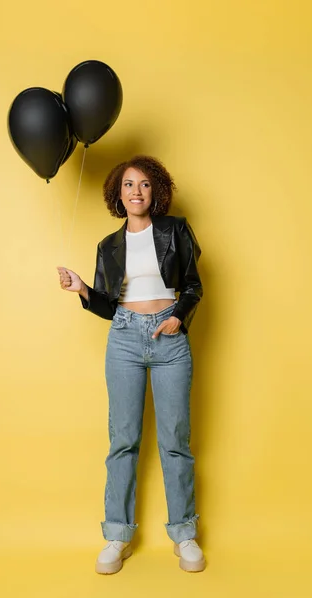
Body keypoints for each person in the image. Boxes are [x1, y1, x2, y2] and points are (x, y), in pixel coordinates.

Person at [57, 155, 205, 574]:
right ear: (117, 195)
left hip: (170, 336)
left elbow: (194, 284)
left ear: (154, 191)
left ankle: (184, 533)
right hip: (123, 336)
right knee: (123, 439)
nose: (135, 191)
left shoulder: (175, 230)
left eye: (143, 184)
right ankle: (117, 536)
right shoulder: (108, 246)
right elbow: (107, 306)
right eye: (127, 185)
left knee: (175, 439)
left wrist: (179, 315)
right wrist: (81, 287)